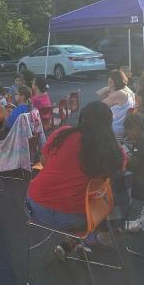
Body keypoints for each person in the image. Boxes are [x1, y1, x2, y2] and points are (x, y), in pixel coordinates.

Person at [25, 101, 126, 260]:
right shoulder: (112, 152)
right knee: (103, 195)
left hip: (35, 207)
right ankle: (97, 238)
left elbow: (44, 162)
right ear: (109, 124)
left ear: (82, 118)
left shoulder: (63, 133)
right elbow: (116, 173)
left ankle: (71, 243)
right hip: (75, 219)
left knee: (86, 197)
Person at [96, 69, 135, 138]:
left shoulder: (119, 94)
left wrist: (106, 89)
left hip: (114, 128)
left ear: (117, 82)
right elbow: (99, 94)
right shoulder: (128, 90)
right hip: (123, 126)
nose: (109, 85)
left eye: (110, 82)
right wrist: (108, 88)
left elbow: (98, 107)